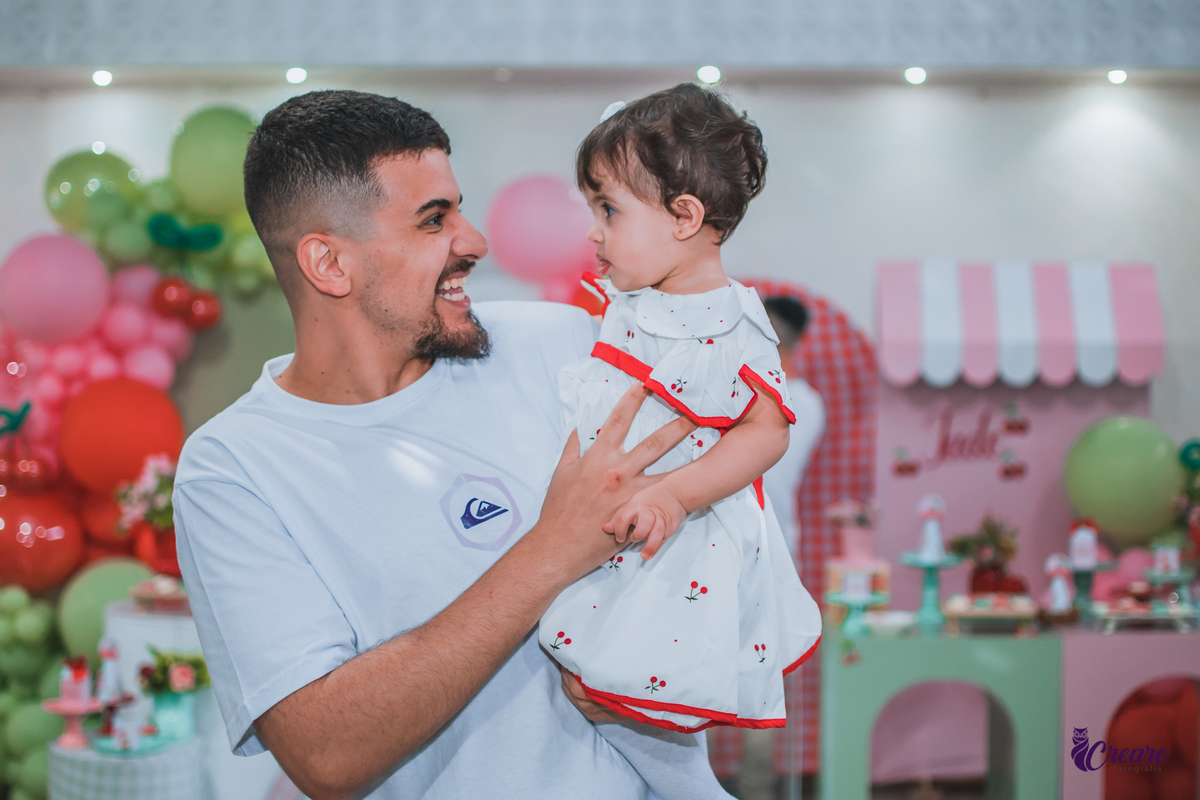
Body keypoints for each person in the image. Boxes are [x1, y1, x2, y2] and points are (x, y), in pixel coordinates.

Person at [172, 90, 709, 800]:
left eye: (459, 209)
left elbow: (714, 549)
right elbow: (324, 753)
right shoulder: (235, 468)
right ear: (329, 264)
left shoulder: (560, 345)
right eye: (434, 219)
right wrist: (555, 550)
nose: (474, 240)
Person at [539, 84, 823, 752]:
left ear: (684, 215)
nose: (592, 231)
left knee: (640, 693)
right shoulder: (626, 303)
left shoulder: (731, 321)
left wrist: (675, 494)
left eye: (608, 209)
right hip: (593, 517)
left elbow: (766, 431)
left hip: (674, 535)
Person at [737, 296, 825, 800]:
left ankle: (753, 788)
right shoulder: (799, 401)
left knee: (759, 677)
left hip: (767, 554)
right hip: (746, 549)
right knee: (713, 668)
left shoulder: (796, 402)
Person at [760, 296, 826, 561]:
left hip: (771, 538)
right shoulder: (809, 403)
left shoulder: (803, 403)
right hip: (769, 535)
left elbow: (771, 471)